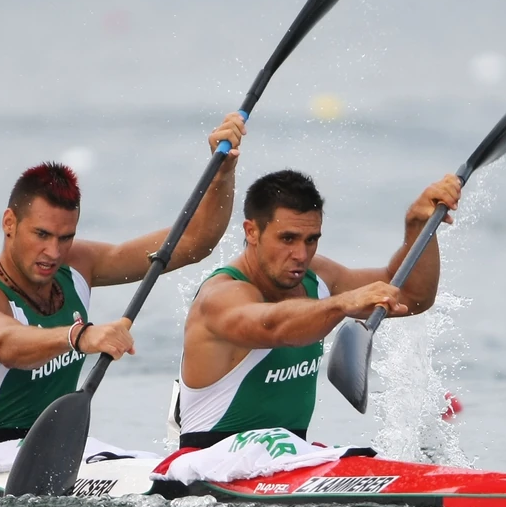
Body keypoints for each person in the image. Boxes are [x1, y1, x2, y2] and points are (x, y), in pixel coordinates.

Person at [0, 113, 247, 453]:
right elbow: (6, 344)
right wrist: (79, 335)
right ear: (9, 223)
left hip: (54, 456)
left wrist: (222, 174)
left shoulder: (77, 265)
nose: (53, 252)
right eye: (41, 234)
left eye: (65, 237)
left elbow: (192, 242)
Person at [174, 169, 462, 448]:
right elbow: (272, 327)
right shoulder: (221, 295)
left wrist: (418, 227)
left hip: (289, 460)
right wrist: (341, 304)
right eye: (287, 239)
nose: (301, 255)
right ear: (252, 231)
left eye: (311, 240)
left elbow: (412, 295)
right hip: (209, 465)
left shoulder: (318, 277)